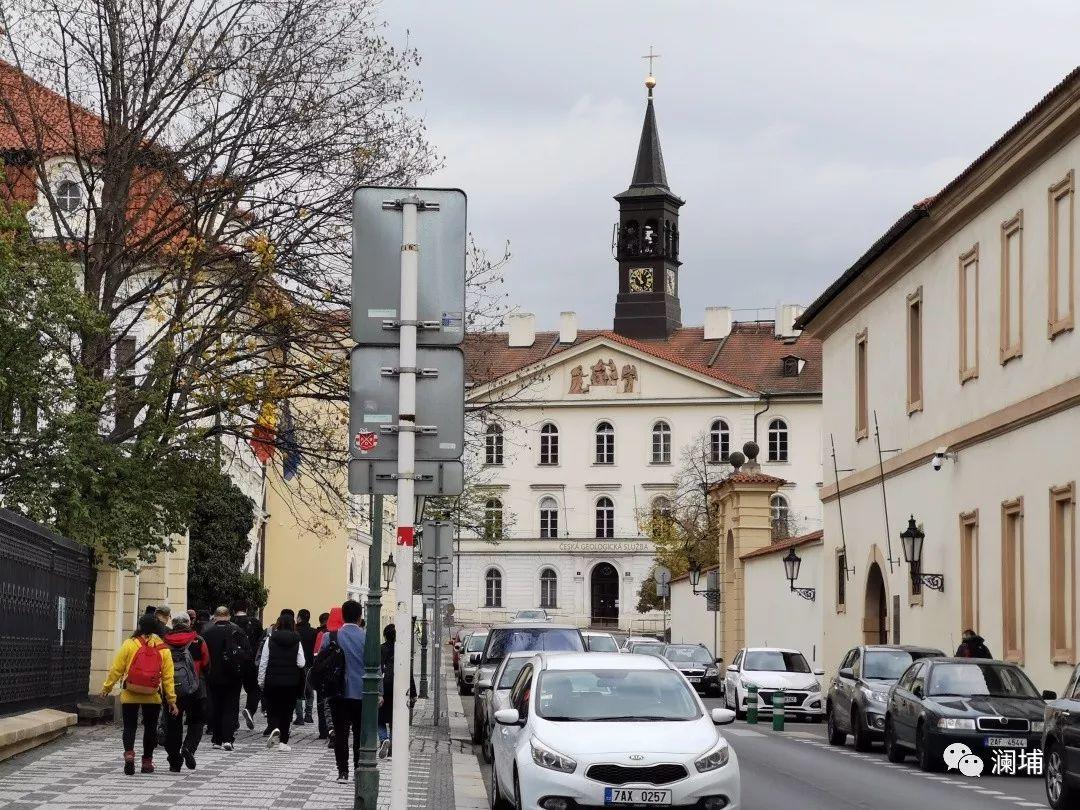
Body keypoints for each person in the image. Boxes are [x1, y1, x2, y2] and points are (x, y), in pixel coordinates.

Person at [100, 613, 177, 775]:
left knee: (129, 726)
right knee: (150, 728)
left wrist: (107, 688)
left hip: (130, 692)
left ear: (139, 627)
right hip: (153, 695)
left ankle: (129, 754)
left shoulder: (129, 644)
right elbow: (168, 677)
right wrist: (171, 700)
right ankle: (147, 762)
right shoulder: (163, 648)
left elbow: (116, 669)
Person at [317, 600, 365, 781]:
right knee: (360, 734)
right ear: (360, 617)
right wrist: (379, 692)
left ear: (343, 616)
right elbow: (374, 667)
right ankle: (358, 770)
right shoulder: (367, 637)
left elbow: (320, 663)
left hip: (337, 692)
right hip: (361, 693)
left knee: (340, 734)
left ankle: (342, 772)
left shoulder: (330, 637)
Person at [161, 614, 210, 771]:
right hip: (195, 688)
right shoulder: (198, 640)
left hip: (171, 688)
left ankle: (174, 760)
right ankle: (188, 747)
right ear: (189, 623)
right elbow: (207, 663)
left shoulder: (164, 642)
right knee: (196, 721)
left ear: (173, 624)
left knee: (172, 723)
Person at [202, 605, 251, 751]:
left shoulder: (207, 632)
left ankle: (216, 739)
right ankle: (228, 739)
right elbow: (248, 654)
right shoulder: (237, 631)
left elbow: (203, 656)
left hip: (213, 676)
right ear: (229, 616)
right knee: (230, 707)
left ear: (215, 617)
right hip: (233, 676)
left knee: (216, 706)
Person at [258, 610, 305, 751]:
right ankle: (283, 742)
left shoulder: (270, 639)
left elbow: (263, 662)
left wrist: (261, 681)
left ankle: (274, 728)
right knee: (287, 711)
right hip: (291, 682)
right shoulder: (297, 640)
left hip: (272, 680)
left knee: (273, 708)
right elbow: (301, 662)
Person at [377, 623, 416, 760]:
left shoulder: (380, 649)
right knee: (395, 720)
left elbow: (377, 669)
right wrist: (413, 693)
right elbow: (408, 672)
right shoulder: (402, 650)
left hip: (383, 687)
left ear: (384, 635)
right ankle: (392, 748)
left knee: (379, 718)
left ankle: (383, 739)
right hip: (399, 687)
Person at [232, 602, 264, 730]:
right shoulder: (255, 623)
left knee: (233, 693)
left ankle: (233, 721)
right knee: (254, 689)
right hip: (250, 662)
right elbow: (260, 642)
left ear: (234, 610)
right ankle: (249, 710)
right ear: (246, 609)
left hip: (233, 663)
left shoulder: (231, 623)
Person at [295, 609, 317, 725]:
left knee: (298, 690)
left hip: (297, 665)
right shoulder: (314, 632)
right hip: (310, 665)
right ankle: (308, 715)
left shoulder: (294, 631)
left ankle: (299, 716)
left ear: (299, 618)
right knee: (310, 690)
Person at [313, 611, 331, 738]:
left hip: (321, 673)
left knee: (321, 703)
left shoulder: (320, 634)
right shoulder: (335, 634)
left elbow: (316, 654)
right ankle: (329, 729)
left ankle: (323, 730)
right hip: (330, 674)